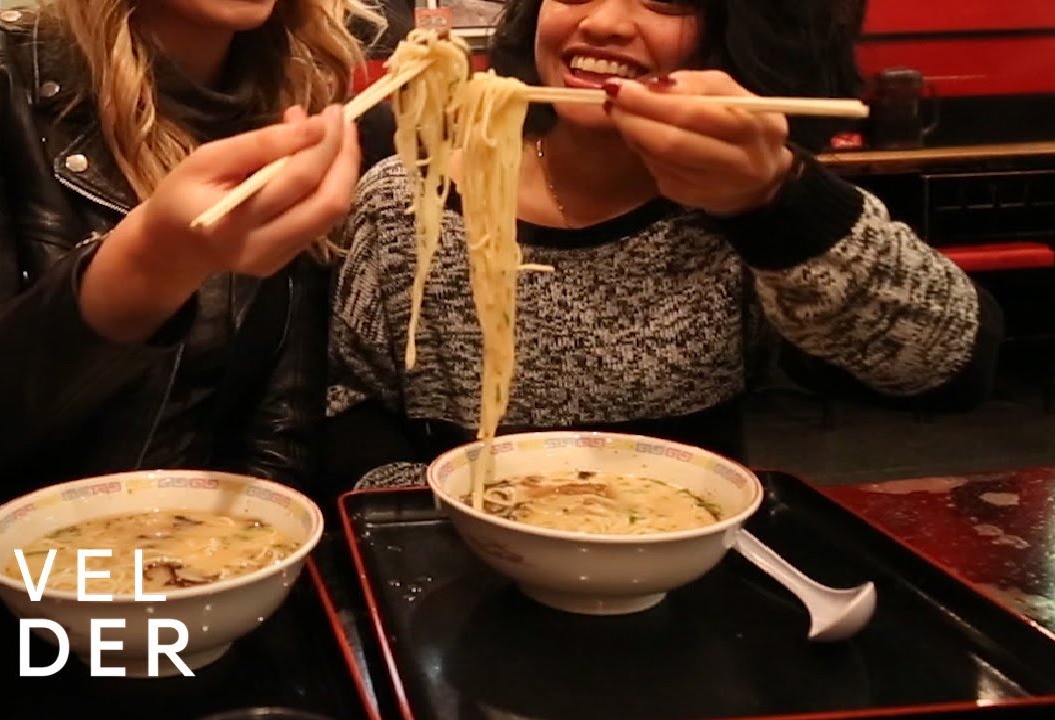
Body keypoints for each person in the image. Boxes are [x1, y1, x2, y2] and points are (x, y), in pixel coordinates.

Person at [324, 0, 1003, 490]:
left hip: (687, 567)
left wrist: (776, 202)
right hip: (455, 564)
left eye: (666, 0)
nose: (604, 21)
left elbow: (947, 368)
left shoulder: (748, 198)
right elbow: (345, 402)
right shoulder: (405, 198)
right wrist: (445, 515)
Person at [0, 0, 394, 536]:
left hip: (202, 561)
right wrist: (150, 262)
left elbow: (281, 427)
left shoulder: (305, 102)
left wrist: (245, 557)